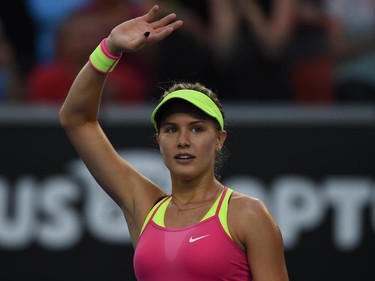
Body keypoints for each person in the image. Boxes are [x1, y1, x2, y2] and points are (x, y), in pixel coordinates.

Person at [59, 5, 289, 281]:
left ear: (219, 140)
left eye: (196, 129)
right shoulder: (144, 207)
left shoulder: (248, 214)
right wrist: (109, 49)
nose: (183, 141)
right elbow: (76, 119)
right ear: (159, 141)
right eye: (170, 130)